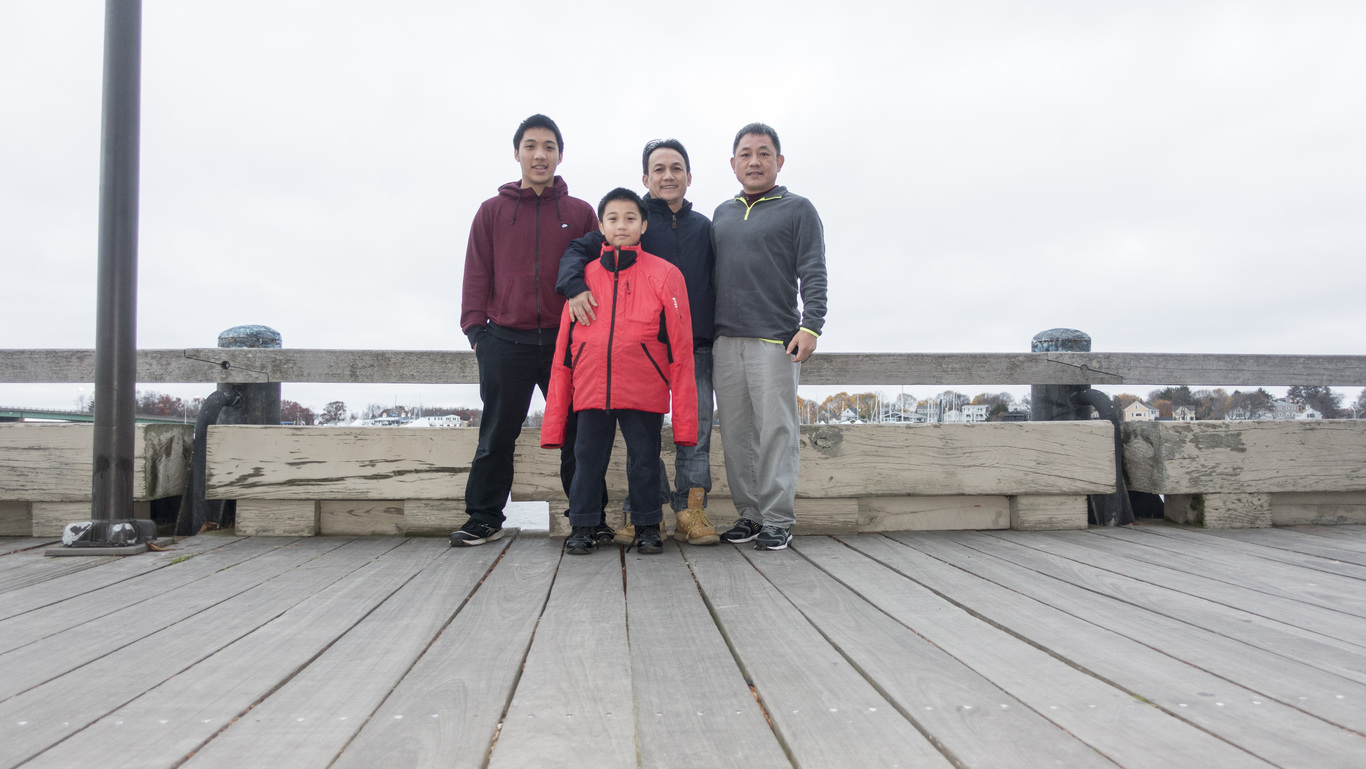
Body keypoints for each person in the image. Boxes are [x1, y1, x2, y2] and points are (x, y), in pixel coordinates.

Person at [557, 139, 719, 546]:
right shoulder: (622, 226)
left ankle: (688, 511)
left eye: (676, 168)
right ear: (646, 178)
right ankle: (638, 519)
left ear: (689, 176)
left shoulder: (705, 227)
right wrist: (572, 285)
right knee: (603, 455)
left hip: (689, 347)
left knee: (690, 438)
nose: (668, 175)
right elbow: (576, 253)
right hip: (618, 369)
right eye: (659, 169)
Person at [451, 114, 601, 547]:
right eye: (531, 146)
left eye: (549, 146)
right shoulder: (492, 211)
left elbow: (597, 274)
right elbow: (476, 273)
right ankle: (484, 518)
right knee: (497, 434)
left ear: (560, 155)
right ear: (516, 152)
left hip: (565, 342)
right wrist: (476, 332)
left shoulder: (581, 212)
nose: (540, 154)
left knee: (578, 435)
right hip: (504, 341)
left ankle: (587, 519)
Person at [542, 188, 697, 555]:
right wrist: (556, 415)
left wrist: (685, 422)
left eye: (630, 218)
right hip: (591, 387)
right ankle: (583, 525)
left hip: (644, 387)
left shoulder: (665, 274)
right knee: (586, 460)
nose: (621, 225)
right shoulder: (581, 279)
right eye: (612, 218)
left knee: (644, 460)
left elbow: (681, 348)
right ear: (601, 226)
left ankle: (647, 525)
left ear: (644, 225)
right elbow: (563, 351)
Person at [711, 123, 827, 551]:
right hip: (725, 341)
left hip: (775, 340)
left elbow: (813, 269)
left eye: (763, 153)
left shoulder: (798, 209)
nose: (754, 161)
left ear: (778, 161)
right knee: (736, 435)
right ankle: (750, 515)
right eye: (745, 154)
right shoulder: (722, 213)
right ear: (733, 163)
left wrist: (812, 325)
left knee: (777, 431)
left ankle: (778, 519)